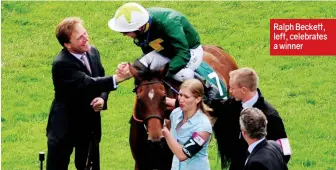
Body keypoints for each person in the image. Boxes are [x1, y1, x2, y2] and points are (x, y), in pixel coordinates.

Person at [46, 17, 130, 170]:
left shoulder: (93, 52)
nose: (86, 39)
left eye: (85, 33)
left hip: (89, 126)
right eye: (80, 38)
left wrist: (102, 98)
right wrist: (119, 78)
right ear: (67, 45)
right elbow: (89, 84)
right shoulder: (62, 64)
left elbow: (101, 80)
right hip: (65, 127)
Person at [166, 67, 291, 170]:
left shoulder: (271, 115)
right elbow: (210, 107)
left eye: (232, 88)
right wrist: (176, 103)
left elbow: (285, 152)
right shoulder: (233, 104)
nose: (230, 91)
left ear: (243, 90)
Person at [108, 2, 218, 99]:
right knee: (143, 63)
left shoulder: (169, 23)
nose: (123, 35)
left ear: (140, 27)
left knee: (181, 74)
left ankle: (207, 87)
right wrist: (130, 68)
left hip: (189, 50)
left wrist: (163, 72)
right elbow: (148, 52)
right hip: (166, 51)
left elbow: (183, 54)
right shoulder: (143, 26)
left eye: (126, 32)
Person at [162, 79, 213, 170]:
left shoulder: (203, 126)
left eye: (186, 97)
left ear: (198, 99)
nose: (181, 100)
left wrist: (165, 132)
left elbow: (182, 155)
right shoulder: (175, 113)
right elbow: (169, 127)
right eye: (180, 95)